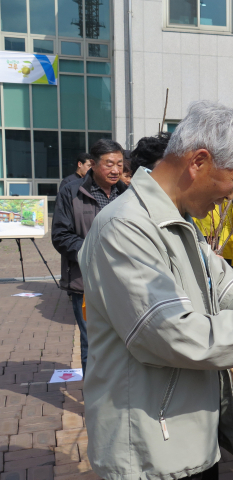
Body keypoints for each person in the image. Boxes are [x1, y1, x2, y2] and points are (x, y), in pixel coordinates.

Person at [77, 101, 233, 480]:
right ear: (198, 162)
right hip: (150, 449)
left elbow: (223, 286)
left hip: (186, 436)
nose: (231, 195)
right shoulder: (125, 228)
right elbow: (169, 332)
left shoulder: (181, 223)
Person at [52, 139, 127, 375]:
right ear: (92, 164)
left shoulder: (128, 194)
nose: (116, 170)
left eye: (120, 164)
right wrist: (93, 253)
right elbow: (61, 235)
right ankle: (94, 400)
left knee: (123, 340)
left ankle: (118, 395)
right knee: (91, 343)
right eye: (109, 164)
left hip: (123, 282)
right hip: (86, 283)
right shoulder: (71, 192)